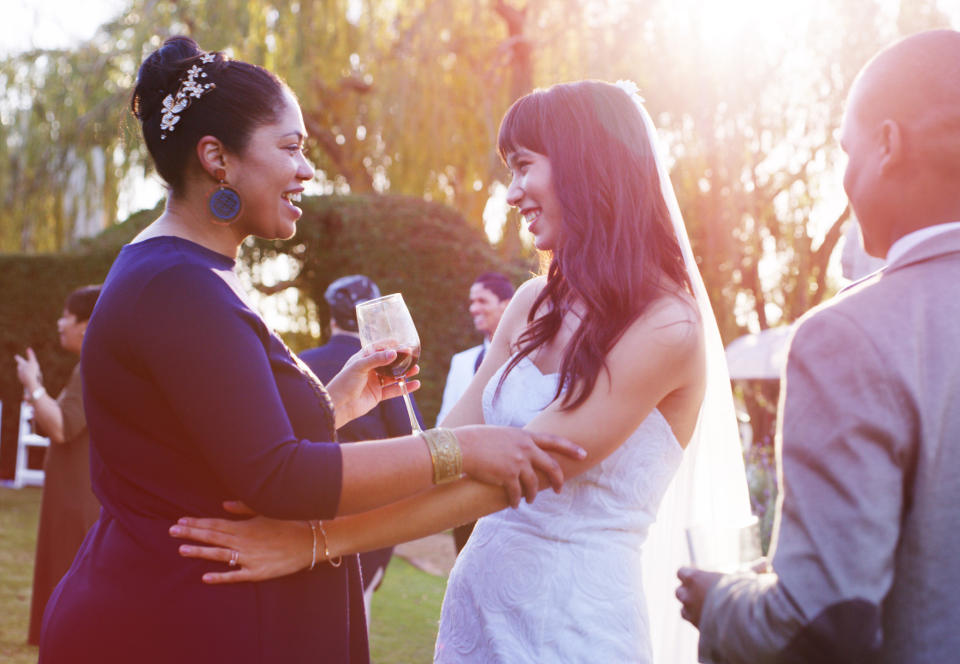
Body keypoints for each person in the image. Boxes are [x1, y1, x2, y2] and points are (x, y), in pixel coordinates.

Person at [37, 36, 583, 664]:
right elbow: (282, 478)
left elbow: (219, 446)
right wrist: (462, 448)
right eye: (291, 148)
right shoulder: (176, 284)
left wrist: (336, 401)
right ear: (218, 157)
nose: (306, 170)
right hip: (178, 624)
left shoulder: (192, 272)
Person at [171, 79, 752, 663]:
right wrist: (330, 419)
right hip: (476, 610)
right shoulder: (530, 304)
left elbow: (508, 476)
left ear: (589, 166)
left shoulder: (666, 328)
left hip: (575, 627)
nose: (512, 193)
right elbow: (441, 455)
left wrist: (315, 542)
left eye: (524, 167)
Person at [676, 29, 960, 664]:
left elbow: (821, 623)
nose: (845, 178)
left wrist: (719, 602)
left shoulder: (852, 337)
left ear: (888, 144)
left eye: (846, 150)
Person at [299, 274, 425, 625]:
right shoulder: (380, 366)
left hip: (312, 512)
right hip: (370, 512)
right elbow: (408, 434)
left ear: (332, 317)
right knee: (356, 617)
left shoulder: (300, 362)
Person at [14, 285, 102, 646]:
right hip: (69, 495)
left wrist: (33, 385)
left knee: (70, 592)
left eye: (66, 315)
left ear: (85, 324)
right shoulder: (89, 365)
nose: (59, 322)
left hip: (77, 500)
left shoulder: (92, 365)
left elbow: (62, 428)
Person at [436, 271, 514, 553]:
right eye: (471, 302)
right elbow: (445, 420)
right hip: (463, 490)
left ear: (507, 305)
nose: (473, 308)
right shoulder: (461, 362)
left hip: (509, 494)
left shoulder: (528, 359)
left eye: (482, 300)